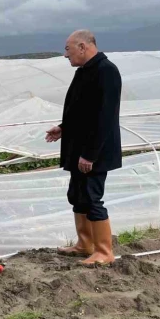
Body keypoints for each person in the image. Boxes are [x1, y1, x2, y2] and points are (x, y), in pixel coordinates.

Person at [45, 30, 122, 266]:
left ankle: (104, 251)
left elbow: (105, 118)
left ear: (82, 47)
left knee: (91, 197)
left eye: (67, 49)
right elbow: (80, 111)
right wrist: (63, 128)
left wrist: (90, 154)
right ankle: (85, 244)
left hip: (94, 152)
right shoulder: (83, 72)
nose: (65, 55)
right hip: (78, 148)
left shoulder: (106, 71)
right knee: (77, 196)